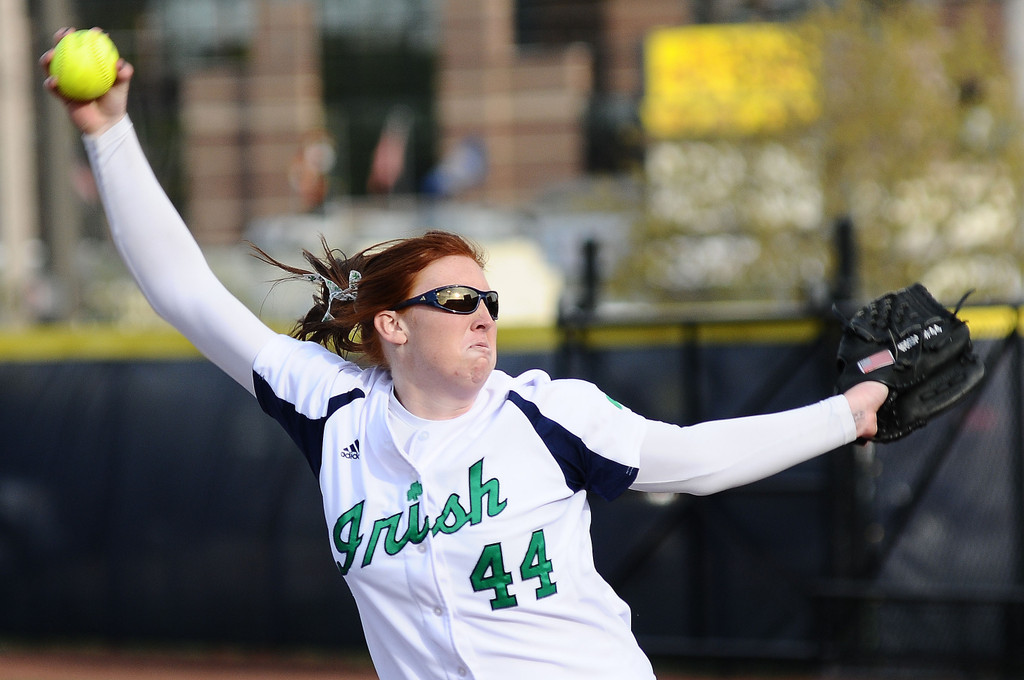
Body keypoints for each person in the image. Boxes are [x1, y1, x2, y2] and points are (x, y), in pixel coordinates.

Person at [41, 28, 888, 680]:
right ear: (393, 326)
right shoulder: (332, 407)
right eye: (456, 300)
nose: (482, 314)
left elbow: (696, 460)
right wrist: (109, 133)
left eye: (489, 300)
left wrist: (850, 412)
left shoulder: (548, 413)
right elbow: (184, 291)